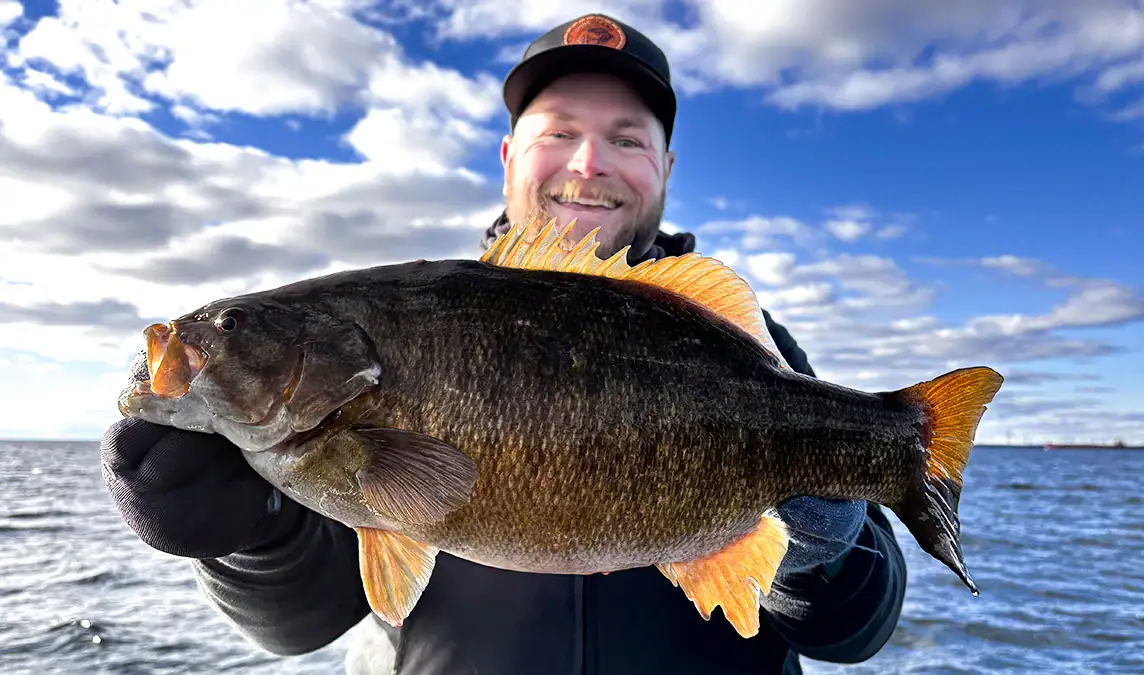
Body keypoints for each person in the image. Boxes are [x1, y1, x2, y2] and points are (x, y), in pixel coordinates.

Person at [100, 13, 907, 675]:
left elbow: (853, 630)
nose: (590, 165)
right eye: (558, 133)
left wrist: (817, 549)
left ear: (664, 166)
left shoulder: (750, 346)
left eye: (627, 140)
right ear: (510, 153)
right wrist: (248, 531)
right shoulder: (414, 319)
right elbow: (302, 623)